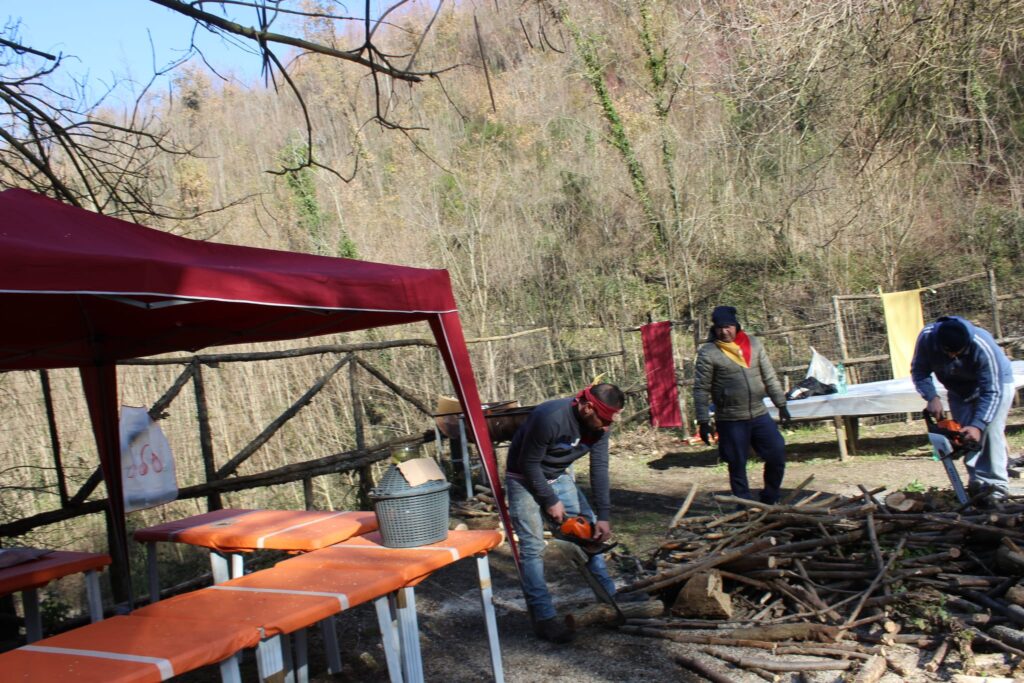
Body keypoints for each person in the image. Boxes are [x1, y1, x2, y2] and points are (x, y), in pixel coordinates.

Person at [504, 382, 625, 643]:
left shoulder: (600, 426)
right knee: (533, 547)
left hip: (557, 476)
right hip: (522, 478)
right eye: (603, 420)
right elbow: (529, 463)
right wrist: (550, 500)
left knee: (591, 535)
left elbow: (599, 468)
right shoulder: (549, 417)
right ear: (587, 407)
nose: (606, 427)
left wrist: (602, 515)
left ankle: (608, 598)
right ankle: (545, 619)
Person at [911, 316, 1014, 505]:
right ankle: (978, 484)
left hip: (996, 385)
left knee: (989, 431)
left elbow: (992, 390)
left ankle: (996, 488)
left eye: (957, 353)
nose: (952, 357)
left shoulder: (982, 344)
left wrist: (979, 424)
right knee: (966, 436)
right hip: (958, 389)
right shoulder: (927, 338)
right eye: (947, 352)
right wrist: (931, 397)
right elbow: (919, 371)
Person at [693, 306, 791, 504]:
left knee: (777, 453)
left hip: (759, 413)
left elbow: (769, 376)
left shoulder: (753, 344)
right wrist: (703, 420)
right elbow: (701, 389)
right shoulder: (709, 353)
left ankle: (770, 497)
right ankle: (744, 504)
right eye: (720, 327)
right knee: (736, 463)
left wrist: (781, 404)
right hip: (730, 418)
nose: (724, 331)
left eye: (728, 326)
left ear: (736, 326)